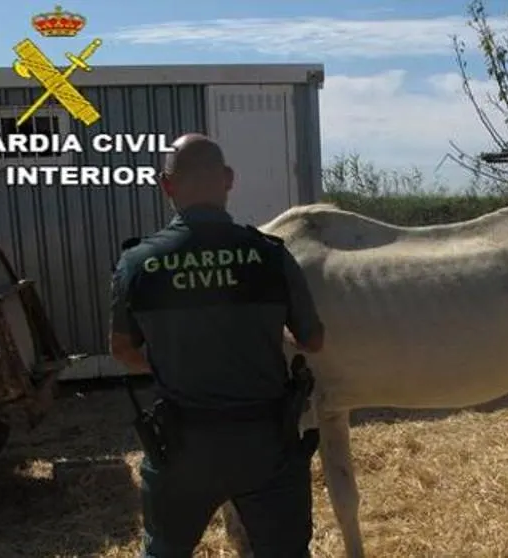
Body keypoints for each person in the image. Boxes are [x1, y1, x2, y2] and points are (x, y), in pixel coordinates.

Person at [108, 133, 325, 558]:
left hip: (181, 447)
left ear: (166, 185)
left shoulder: (138, 264)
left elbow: (121, 351)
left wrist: (169, 364)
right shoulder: (270, 256)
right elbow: (312, 341)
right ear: (228, 180)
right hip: (266, 446)